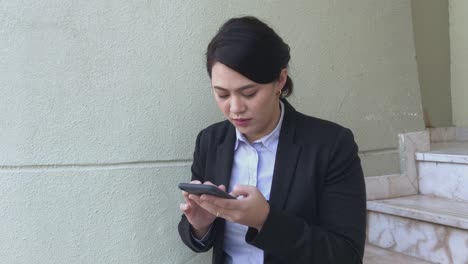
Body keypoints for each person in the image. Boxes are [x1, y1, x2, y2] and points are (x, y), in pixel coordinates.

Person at [178, 16, 366, 264]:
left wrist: (265, 220)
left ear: (280, 80)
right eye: (221, 94)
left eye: (249, 93)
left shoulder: (331, 145)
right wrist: (200, 226)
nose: (235, 108)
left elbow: (345, 255)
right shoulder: (210, 141)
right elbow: (198, 237)